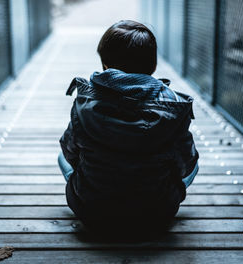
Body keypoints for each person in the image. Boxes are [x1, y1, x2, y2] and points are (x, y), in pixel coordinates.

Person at [58, 20, 199, 233]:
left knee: (62, 158)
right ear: (152, 66)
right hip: (156, 213)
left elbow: (70, 154)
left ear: (105, 65)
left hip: (93, 211)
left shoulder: (84, 103)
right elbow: (186, 164)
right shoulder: (173, 106)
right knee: (195, 163)